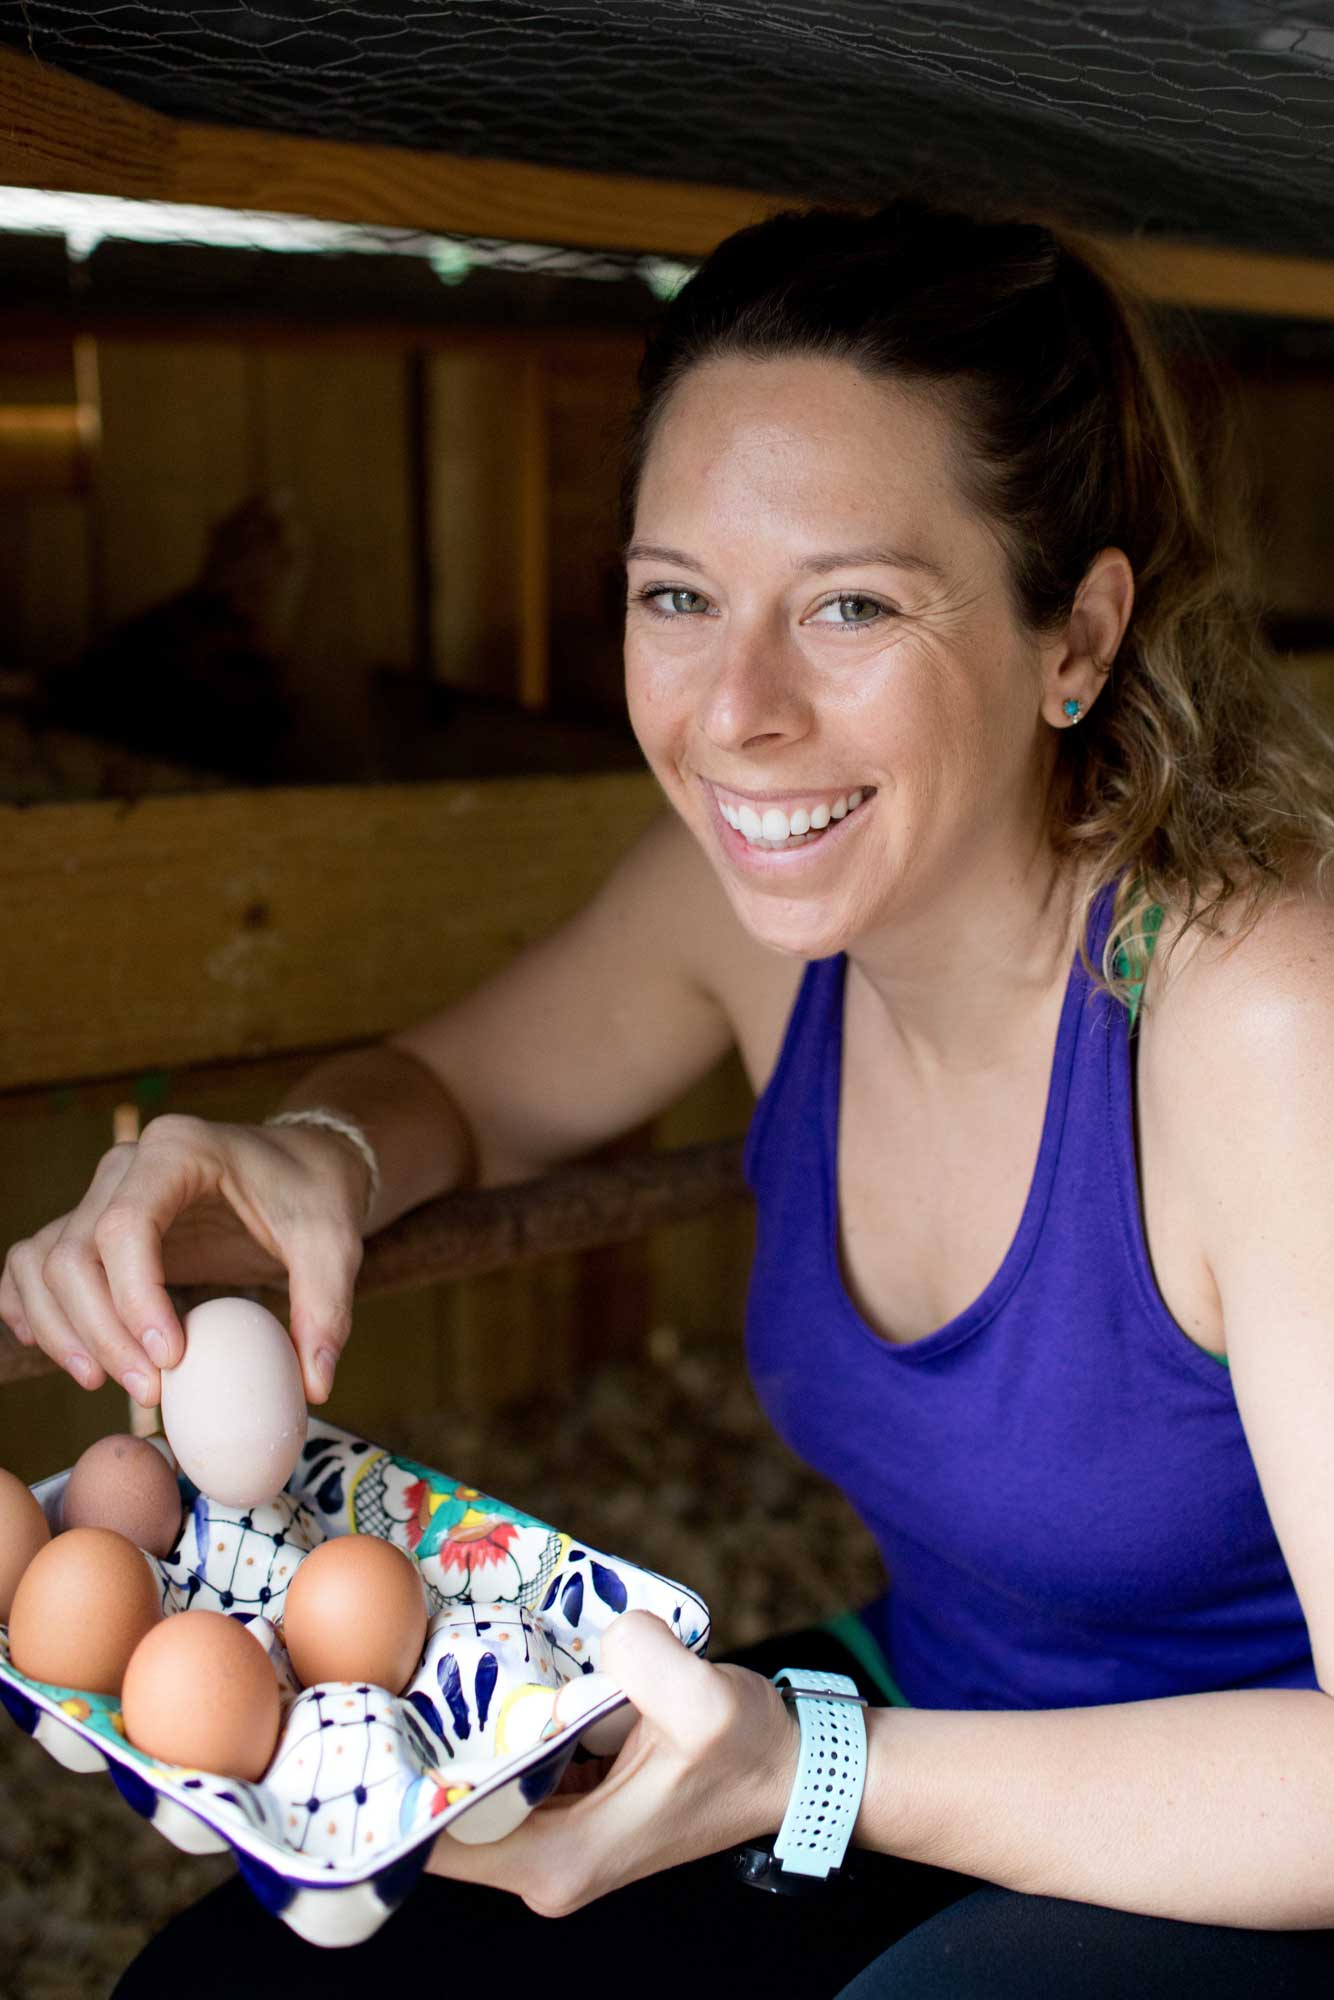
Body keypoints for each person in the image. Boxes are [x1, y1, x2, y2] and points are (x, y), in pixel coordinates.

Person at [5, 198, 1334, 1997]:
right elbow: (455, 1093)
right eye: (676, 598)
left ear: (1073, 639)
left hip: (1246, 1851)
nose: (732, 713)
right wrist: (308, 1151)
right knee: (235, 1992)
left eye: (850, 602)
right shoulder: (749, 905)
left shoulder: (1257, 1013)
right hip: (917, 1717)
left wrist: (811, 1770)